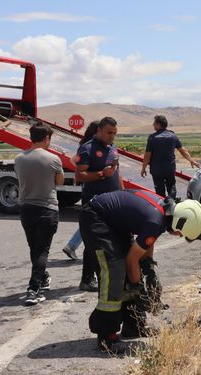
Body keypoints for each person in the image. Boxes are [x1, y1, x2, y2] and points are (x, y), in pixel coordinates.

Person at [80, 190, 201, 353]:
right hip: (95, 218)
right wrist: (139, 288)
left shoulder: (165, 211)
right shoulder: (156, 220)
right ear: (180, 222)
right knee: (114, 271)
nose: (179, 235)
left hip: (113, 223)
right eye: (181, 233)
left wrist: (149, 270)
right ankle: (106, 337)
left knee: (132, 272)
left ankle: (134, 327)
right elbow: (132, 260)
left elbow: (147, 241)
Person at [14, 122, 64, 306]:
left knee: (34, 248)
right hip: (48, 208)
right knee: (42, 250)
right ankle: (33, 289)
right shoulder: (54, 159)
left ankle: (42, 277)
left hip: (26, 209)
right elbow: (58, 181)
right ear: (47, 139)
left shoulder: (19, 158)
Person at [74, 117, 124, 292]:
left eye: (115, 133)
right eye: (109, 133)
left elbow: (116, 172)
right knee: (93, 241)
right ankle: (87, 279)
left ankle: (111, 275)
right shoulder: (87, 149)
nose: (112, 136)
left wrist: (122, 193)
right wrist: (102, 174)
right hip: (94, 203)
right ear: (99, 131)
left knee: (115, 238)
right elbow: (79, 176)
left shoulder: (112, 148)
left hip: (114, 201)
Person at [62, 121, 100, 261]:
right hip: (94, 187)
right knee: (92, 220)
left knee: (90, 220)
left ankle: (73, 246)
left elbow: (74, 161)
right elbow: (74, 161)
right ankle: (73, 246)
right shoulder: (91, 147)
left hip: (87, 186)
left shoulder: (84, 145)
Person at [141, 115, 201, 198]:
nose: (153, 124)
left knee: (159, 192)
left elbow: (147, 155)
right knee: (171, 188)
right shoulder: (173, 136)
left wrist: (143, 168)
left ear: (158, 124)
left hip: (157, 170)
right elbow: (183, 150)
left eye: (154, 123)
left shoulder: (152, 138)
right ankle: (172, 205)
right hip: (169, 169)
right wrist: (191, 160)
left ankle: (162, 208)